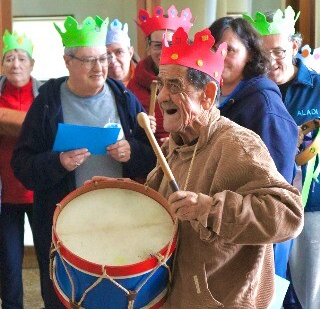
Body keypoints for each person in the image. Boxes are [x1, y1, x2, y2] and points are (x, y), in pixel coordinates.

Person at [87, 27, 303, 308]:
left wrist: (209, 209)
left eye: (174, 86)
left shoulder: (237, 144)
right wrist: (129, 194)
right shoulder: (174, 145)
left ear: (207, 94)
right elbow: (164, 210)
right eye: (161, 84)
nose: (163, 96)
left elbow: (288, 215)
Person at [10, 15, 156, 309]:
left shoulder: (123, 97)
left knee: (113, 295)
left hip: (119, 219)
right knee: (65, 296)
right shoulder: (48, 102)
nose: (99, 67)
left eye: (102, 58)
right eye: (89, 60)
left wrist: (132, 152)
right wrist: (58, 162)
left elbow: (151, 158)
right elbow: (22, 166)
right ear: (68, 61)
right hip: (64, 224)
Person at [208, 16, 299, 294]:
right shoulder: (216, 98)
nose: (220, 56)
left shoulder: (265, 106)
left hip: (254, 242)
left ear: (250, 54)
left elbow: (276, 196)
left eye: (230, 49)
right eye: (214, 49)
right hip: (222, 233)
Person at [244, 5, 320, 309]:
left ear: (293, 45)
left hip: (312, 206)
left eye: (278, 51)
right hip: (265, 209)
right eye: (263, 54)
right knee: (268, 293)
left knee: (311, 293)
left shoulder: (317, 87)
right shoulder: (250, 93)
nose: (271, 61)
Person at [0, 30, 41, 309]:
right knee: (9, 266)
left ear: (31, 64)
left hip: (39, 193)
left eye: (21, 58)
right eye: (9, 58)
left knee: (49, 259)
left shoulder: (46, 95)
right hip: (4, 196)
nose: (15, 64)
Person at [127, 5, 194, 144]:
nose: (164, 51)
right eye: (158, 45)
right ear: (148, 48)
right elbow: (130, 130)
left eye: (171, 44)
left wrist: (180, 139)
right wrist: (143, 129)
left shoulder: (194, 80)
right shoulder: (136, 83)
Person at [106, 18, 137, 86]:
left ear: (130, 53)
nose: (112, 59)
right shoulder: (97, 87)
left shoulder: (144, 81)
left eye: (119, 52)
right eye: (107, 54)